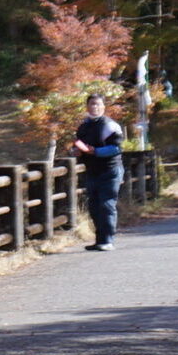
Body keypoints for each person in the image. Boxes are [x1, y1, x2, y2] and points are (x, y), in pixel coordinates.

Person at [71, 93, 125, 250]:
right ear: (87, 106)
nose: (94, 107)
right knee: (94, 206)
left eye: (98, 104)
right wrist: (76, 151)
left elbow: (116, 148)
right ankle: (100, 240)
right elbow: (78, 144)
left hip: (110, 169)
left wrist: (95, 151)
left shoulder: (110, 125)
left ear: (104, 107)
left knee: (106, 204)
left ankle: (108, 240)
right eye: (92, 104)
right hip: (92, 170)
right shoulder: (84, 126)